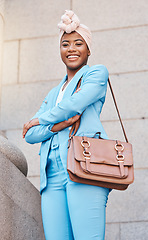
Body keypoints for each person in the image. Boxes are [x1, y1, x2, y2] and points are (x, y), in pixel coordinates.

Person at [23, 10, 111, 240]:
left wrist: (41, 120)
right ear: (60, 50)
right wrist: (57, 125)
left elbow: (75, 104)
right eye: (65, 44)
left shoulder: (96, 75)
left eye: (78, 43)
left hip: (84, 168)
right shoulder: (54, 93)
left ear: (88, 49)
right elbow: (31, 135)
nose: (71, 48)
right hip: (51, 176)